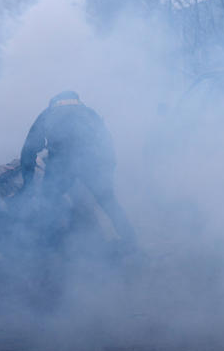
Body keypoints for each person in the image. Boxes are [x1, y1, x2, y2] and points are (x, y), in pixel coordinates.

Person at [19, 90, 137, 251]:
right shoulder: (90, 114)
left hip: (61, 164)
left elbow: (29, 149)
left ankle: (47, 246)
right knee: (108, 201)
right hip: (92, 163)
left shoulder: (48, 114)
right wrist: (107, 171)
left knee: (48, 202)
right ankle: (131, 242)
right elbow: (106, 144)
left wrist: (27, 183)